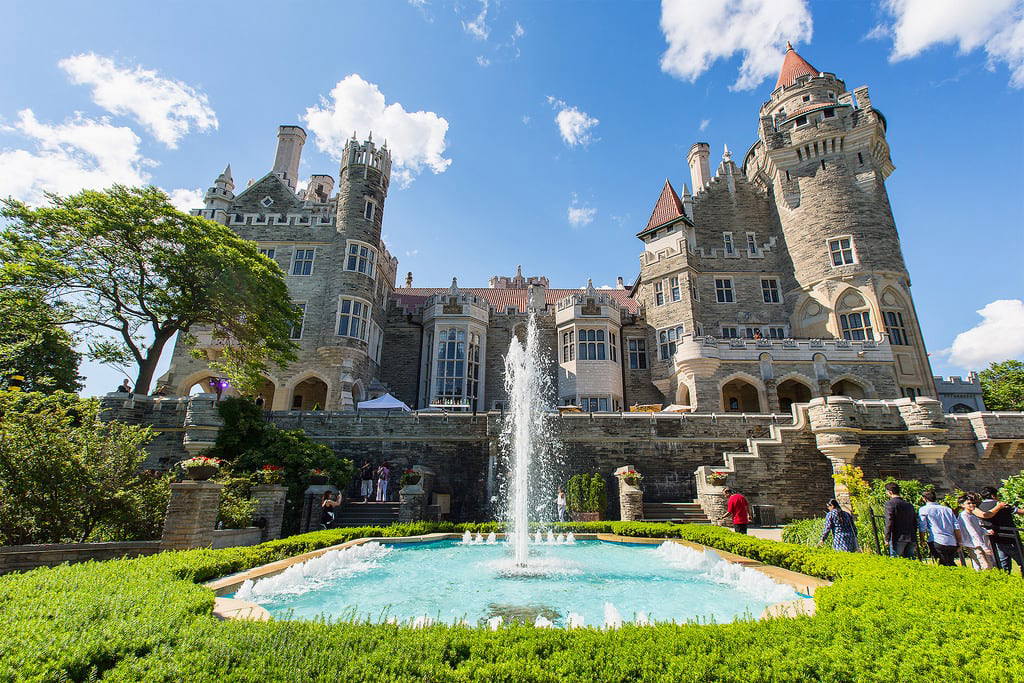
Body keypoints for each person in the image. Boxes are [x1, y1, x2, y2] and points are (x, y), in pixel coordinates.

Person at [973, 486, 1024, 573]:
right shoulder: (1001, 505)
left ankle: (1004, 576)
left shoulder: (979, 507)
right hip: (1010, 537)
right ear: (993, 495)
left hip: (994, 537)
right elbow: (1020, 512)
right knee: (1021, 559)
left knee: (1003, 561)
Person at [917, 490, 961, 567]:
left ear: (924, 499)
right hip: (951, 541)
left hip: (936, 539)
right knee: (951, 563)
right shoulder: (947, 509)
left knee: (942, 564)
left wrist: (922, 539)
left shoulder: (924, 509)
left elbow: (922, 527)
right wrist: (959, 541)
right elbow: (956, 526)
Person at [958, 493, 995, 570]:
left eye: (973, 503)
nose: (972, 505)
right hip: (974, 544)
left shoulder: (972, 515)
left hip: (978, 542)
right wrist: (984, 547)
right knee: (984, 565)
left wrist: (986, 531)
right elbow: (972, 532)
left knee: (987, 564)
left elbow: (978, 528)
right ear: (962, 505)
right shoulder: (964, 515)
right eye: (969, 503)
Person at [884, 482, 918, 559]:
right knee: (910, 560)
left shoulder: (890, 503)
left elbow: (889, 521)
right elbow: (914, 522)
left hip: (898, 537)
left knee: (896, 560)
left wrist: (887, 538)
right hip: (911, 536)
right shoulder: (909, 505)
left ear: (890, 492)